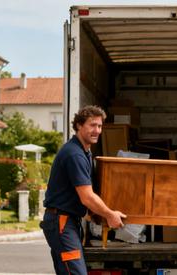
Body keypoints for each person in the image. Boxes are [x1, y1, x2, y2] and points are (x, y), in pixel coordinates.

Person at [41, 105, 127, 275]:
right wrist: (109, 214)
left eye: (100, 126)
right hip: (62, 223)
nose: (97, 130)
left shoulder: (84, 151)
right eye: (92, 125)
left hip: (67, 221)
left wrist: (96, 214)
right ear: (79, 125)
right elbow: (87, 197)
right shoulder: (75, 154)